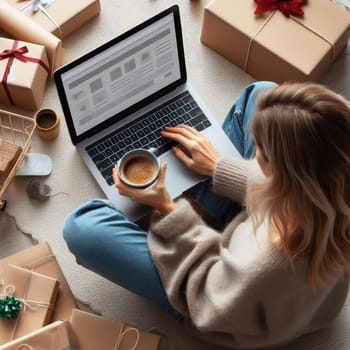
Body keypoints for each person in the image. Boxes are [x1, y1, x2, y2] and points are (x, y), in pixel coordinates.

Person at [63, 81, 350, 349]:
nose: (256, 155)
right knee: (262, 93)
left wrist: (167, 210)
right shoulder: (334, 188)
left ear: (286, 179)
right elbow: (284, 192)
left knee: (82, 227)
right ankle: (200, 215)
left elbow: (209, 301)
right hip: (257, 269)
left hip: (214, 297)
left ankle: (188, 223)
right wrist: (218, 166)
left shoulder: (267, 264)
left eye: (261, 153)